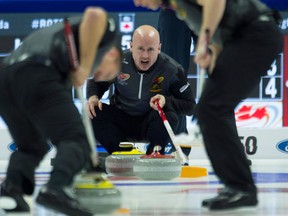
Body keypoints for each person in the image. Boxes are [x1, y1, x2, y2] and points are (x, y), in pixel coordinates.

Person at [134, 0, 283, 211]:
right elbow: (218, 42)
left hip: (257, 35)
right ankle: (237, 186)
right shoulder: (178, 8)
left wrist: (203, 42)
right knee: (210, 109)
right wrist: (210, 55)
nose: (138, 3)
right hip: (248, 38)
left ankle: (241, 187)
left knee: (212, 109)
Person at [0, 7, 122, 216]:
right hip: (36, 73)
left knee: (32, 146)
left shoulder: (65, 51)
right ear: (112, 54)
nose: (95, 74)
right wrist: (84, 66)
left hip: (6, 78)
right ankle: (56, 188)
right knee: (78, 139)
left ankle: (12, 188)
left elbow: (58, 113)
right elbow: (95, 14)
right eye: (105, 73)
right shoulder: (107, 37)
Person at [86, 25, 196, 156]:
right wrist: (93, 97)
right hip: (122, 119)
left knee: (170, 115)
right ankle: (123, 154)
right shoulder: (117, 61)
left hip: (151, 122)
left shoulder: (172, 69)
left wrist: (166, 101)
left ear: (159, 48)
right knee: (92, 112)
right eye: (140, 49)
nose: (145, 55)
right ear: (131, 46)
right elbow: (96, 82)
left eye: (150, 49)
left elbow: (190, 107)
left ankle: (153, 155)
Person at [157, 7, 198, 156]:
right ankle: (179, 146)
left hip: (207, 7)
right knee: (172, 75)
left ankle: (230, 149)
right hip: (172, 8)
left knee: (220, 74)